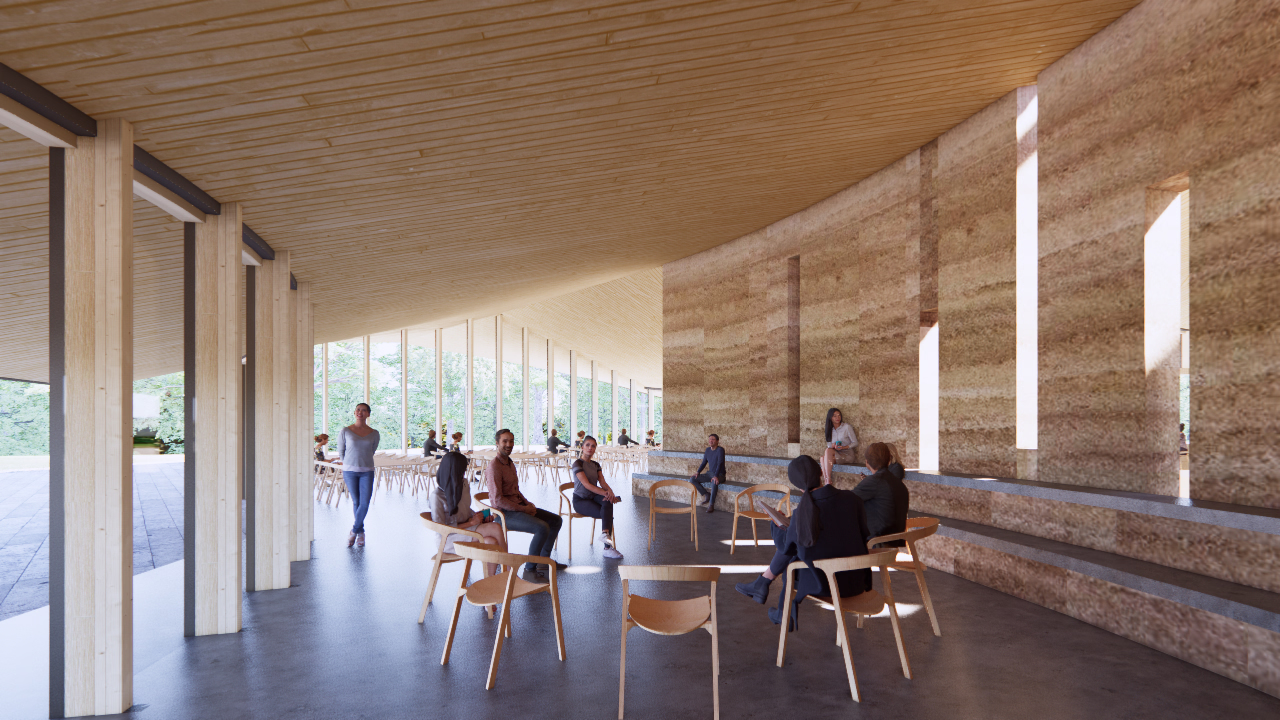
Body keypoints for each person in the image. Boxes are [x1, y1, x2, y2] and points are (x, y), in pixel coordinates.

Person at [734, 455, 872, 630]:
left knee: (794, 559)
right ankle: (763, 586)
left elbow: (785, 547)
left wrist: (777, 525)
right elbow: (862, 535)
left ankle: (769, 594)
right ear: (821, 472)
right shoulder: (853, 500)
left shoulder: (803, 513)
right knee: (800, 552)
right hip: (857, 581)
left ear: (797, 486)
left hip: (828, 586)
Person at [485, 428, 564, 580]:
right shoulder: (494, 467)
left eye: (511, 441)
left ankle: (543, 561)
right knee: (542, 527)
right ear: (497, 443)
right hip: (504, 514)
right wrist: (523, 508)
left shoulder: (509, 463)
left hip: (518, 508)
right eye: (505, 441)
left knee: (556, 520)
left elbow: (515, 490)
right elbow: (497, 500)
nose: (509, 444)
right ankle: (529, 570)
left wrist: (528, 504)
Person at [431, 450, 506, 577]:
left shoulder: (464, 484)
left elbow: (465, 510)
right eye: (462, 471)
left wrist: (478, 516)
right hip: (448, 539)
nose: (464, 474)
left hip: (467, 529)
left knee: (491, 542)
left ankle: (490, 581)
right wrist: (471, 523)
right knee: (495, 528)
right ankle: (508, 569)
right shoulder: (437, 496)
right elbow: (440, 529)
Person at [570, 436, 623, 559]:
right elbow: (587, 485)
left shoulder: (596, 464)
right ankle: (607, 547)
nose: (590, 448)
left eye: (593, 446)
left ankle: (606, 540)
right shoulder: (577, 463)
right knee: (607, 513)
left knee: (608, 502)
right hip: (580, 500)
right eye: (587, 445)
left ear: (595, 449)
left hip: (593, 497)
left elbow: (603, 483)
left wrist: (610, 493)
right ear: (582, 447)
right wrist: (606, 494)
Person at [338, 403, 380, 547]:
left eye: (363, 410)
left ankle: (354, 531)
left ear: (368, 414)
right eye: (358, 410)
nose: (360, 412)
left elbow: (372, 450)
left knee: (365, 503)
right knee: (356, 502)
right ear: (355, 412)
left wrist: (362, 462)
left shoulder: (374, 433)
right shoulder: (346, 431)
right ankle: (361, 532)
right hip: (350, 471)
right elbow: (341, 451)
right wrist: (349, 464)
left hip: (367, 471)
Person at [852, 442, 909, 547]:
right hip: (894, 543)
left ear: (867, 462)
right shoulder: (898, 484)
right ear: (888, 461)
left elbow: (847, 500)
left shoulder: (875, 481)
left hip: (878, 545)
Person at [689, 434, 726, 513]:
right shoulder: (707, 450)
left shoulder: (720, 450)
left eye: (713, 439)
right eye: (709, 439)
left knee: (714, 482)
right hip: (709, 474)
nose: (711, 441)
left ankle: (711, 504)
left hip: (720, 475)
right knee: (692, 479)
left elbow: (720, 463)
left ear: (717, 441)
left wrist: (716, 476)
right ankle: (706, 494)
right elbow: (704, 463)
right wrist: (697, 472)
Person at [821, 407, 858, 486]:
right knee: (822, 458)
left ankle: (827, 480)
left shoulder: (847, 427)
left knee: (827, 453)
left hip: (847, 455)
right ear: (830, 417)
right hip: (836, 453)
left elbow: (855, 443)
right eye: (834, 416)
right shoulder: (829, 429)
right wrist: (833, 445)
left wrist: (844, 447)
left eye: (839, 415)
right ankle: (827, 480)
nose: (837, 418)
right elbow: (828, 444)